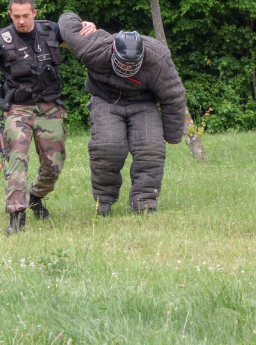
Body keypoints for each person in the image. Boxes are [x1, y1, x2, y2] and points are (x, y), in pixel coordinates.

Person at [0, 0, 95, 234]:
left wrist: (88, 26)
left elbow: (79, 39)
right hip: (18, 109)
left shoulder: (51, 31)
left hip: (49, 107)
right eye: (16, 16)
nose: (21, 21)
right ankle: (16, 214)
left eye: (26, 15)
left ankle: (36, 196)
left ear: (34, 13)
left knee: (54, 165)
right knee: (16, 160)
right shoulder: (2, 39)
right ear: (10, 15)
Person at [57, 12, 187, 215]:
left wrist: (172, 135)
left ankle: (144, 204)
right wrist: (81, 23)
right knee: (107, 147)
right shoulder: (91, 48)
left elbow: (173, 96)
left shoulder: (157, 58)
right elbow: (66, 22)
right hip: (105, 100)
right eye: (123, 62)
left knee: (150, 150)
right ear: (113, 52)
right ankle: (104, 202)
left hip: (143, 104)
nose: (126, 66)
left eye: (132, 63)